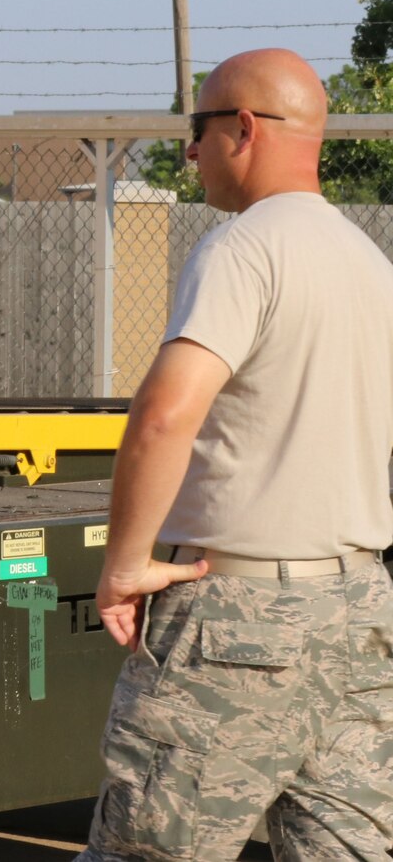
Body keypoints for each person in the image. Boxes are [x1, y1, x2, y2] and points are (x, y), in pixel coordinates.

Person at [78, 49, 393, 860]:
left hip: (238, 620)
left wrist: (124, 564)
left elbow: (164, 415)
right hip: (358, 611)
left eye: (198, 129)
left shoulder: (243, 249)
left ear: (243, 128)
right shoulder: (368, 262)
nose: (191, 151)